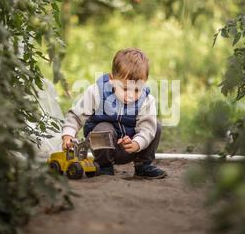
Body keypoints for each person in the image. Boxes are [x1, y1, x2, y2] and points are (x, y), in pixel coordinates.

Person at [61, 48, 167, 179]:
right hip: (102, 146)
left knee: (155, 126)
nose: (130, 96)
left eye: (137, 90)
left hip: (132, 147)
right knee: (103, 127)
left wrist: (136, 143)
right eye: (125, 88)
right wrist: (68, 135)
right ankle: (104, 166)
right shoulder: (97, 92)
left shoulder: (146, 100)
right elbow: (76, 116)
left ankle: (143, 165)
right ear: (112, 79)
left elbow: (147, 128)